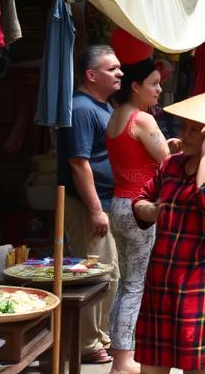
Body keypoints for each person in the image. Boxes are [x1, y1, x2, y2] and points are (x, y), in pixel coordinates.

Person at [132, 90, 205, 374]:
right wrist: (150, 210)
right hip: (165, 272)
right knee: (153, 359)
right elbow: (140, 199)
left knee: (197, 363)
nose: (184, 135)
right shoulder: (172, 165)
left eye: (194, 130)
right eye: (183, 127)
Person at [106, 59, 173, 374]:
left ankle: (120, 356)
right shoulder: (143, 120)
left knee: (126, 284)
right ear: (136, 86)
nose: (159, 90)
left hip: (119, 203)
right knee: (136, 286)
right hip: (139, 209)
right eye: (154, 83)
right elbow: (168, 163)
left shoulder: (116, 116)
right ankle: (123, 361)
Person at [58, 45, 123, 365]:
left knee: (110, 273)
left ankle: (101, 336)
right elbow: (79, 163)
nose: (119, 74)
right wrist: (96, 210)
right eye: (112, 69)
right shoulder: (81, 108)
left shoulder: (104, 107)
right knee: (96, 275)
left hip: (107, 201)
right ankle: (86, 343)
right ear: (91, 74)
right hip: (88, 206)